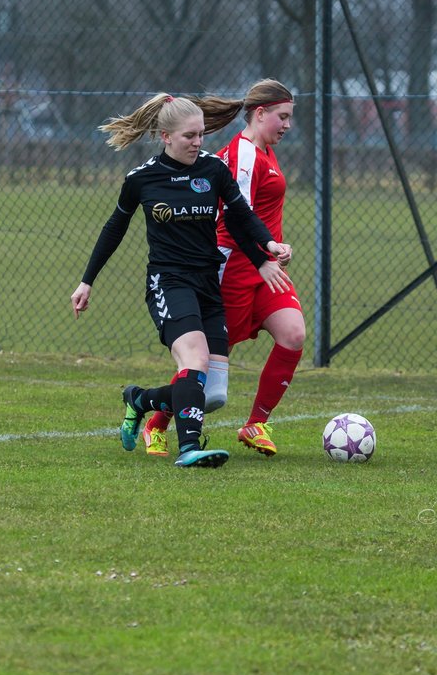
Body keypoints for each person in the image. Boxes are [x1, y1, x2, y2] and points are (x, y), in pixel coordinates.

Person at [70, 94, 293, 469]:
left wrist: (266, 247)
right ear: (165, 136)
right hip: (169, 282)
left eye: (201, 135)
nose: (197, 143)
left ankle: (140, 400)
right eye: (189, 136)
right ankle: (189, 447)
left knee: (213, 395)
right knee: (194, 359)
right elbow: (114, 229)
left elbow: (240, 216)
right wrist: (86, 281)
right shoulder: (142, 179)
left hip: (207, 284)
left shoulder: (212, 170)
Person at [138, 79, 305, 458]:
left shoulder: (263, 150)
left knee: (293, 334)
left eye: (289, 117)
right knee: (206, 372)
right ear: (260, 114)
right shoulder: (244, 154)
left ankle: (256, 423)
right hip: (235, 268)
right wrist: (265, 252)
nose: (287, 125)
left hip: (264, 268)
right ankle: (156, 421)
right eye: (282, 116)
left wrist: (271, 250)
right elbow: (236, 217)